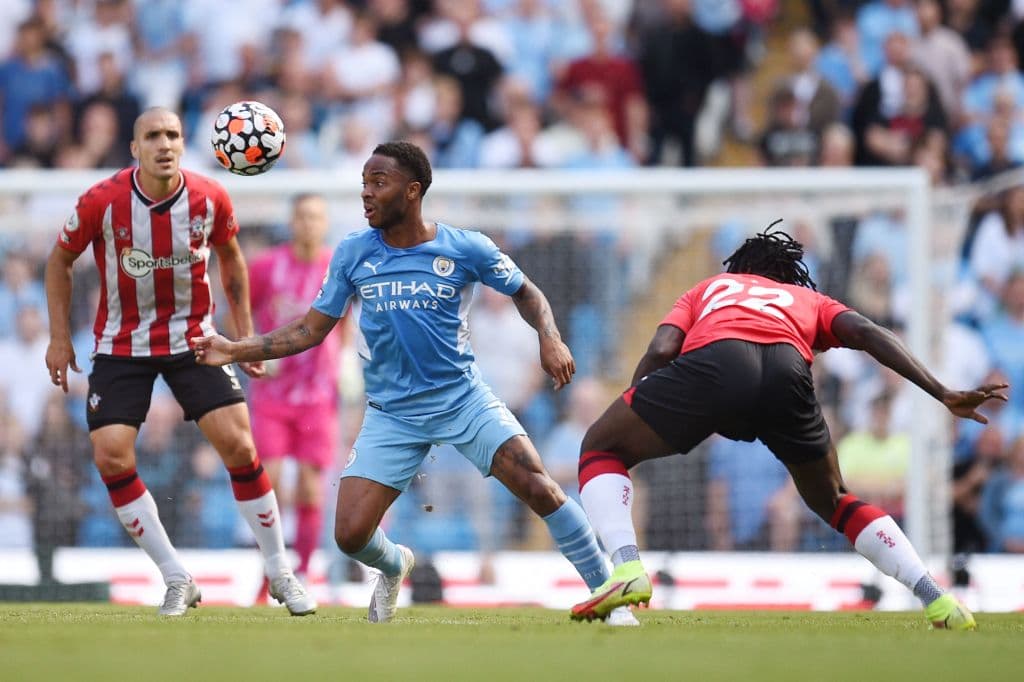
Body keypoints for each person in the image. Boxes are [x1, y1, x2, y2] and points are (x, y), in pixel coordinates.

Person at [192, 141, 630, 625]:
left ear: (413, 190)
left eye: (378, 183)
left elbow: (527, 292)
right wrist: (235, 348)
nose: (366, 194)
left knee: (539, 486)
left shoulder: (466, 247)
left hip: (461, 399)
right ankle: (396, 563)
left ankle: (608, 593)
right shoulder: (354, 253)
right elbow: (309, 330)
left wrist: (549, 337)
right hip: (391, 412)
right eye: (364, 183)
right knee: (351, 535)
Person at [569, 227, 1006, 630]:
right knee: (835, 501)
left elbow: (663, 346)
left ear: (740, 268)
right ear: (787, 273)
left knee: (601, 448)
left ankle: (627, 568)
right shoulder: (807, 299)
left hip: (716, 365)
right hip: (788, 371)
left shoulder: (711, 287)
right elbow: (869, 333)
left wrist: (639, 404)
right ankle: (937, 599)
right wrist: (942, 391)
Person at [43, 107, 316, 617]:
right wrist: (60, 338)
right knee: (111, 456)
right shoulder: (103, 201)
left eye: (172, 135)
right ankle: (176, 577)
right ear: (135, 148)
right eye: (153, 136)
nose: (164, 144)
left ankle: (281, 572)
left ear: (183, 143)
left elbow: (232, 258)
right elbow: (59, 260)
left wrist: (246, 334)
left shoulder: (210, 196)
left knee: (238, 443)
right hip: (123, 345)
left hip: (195, 340)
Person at [247, 193, 343, 592]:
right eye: (302, 216)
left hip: (318, 396)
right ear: (291, 222)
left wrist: (346, 368)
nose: (308, 223)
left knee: (308, 485)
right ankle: (270, 570)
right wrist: (251, 348)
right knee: (268, 483)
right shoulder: (267, 267)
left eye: (316, 217)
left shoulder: (337, 269)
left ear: (325, 224)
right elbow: (243, 309)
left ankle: (302, 570)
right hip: (272, 394)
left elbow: (348, 322)